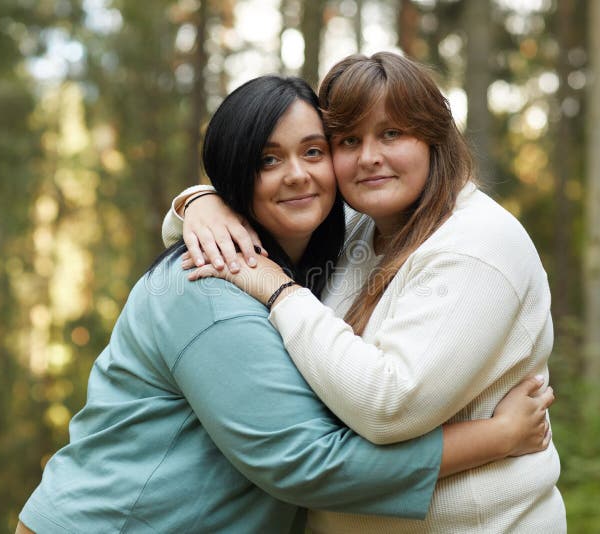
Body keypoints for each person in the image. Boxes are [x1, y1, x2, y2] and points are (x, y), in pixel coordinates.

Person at [17, 75, 554, 534]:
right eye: (267, 160)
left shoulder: (331, 251)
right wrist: (496, 437)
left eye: (313, 151)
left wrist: (194, 202)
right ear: (236, 177)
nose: (297, 173)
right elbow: (307, 465)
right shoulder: (208, 289)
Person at [164, 53, 566, 533]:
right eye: (348, 140)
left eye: (392, 133)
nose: (370, 156)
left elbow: (388, 405)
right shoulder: (363, 224)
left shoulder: (476, 245)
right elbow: (239, 221)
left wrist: (280, 291)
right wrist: (200, 202)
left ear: (434, 136)